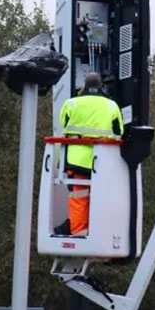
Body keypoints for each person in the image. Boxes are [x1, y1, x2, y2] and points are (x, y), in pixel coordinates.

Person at [54, 72, 123, 236]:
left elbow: (63, 122)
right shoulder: (111, 105)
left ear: (85, 86)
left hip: (76, 160)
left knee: (79, 196)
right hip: (103, 160)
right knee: (102, 197)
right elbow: (119, 130)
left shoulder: (71, 104)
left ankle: (79, 232)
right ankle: (101, 232)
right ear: (101, 87)